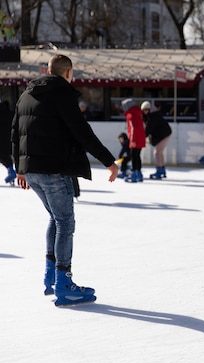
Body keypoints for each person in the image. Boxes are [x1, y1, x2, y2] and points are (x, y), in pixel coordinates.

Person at [11, 54, 119, 306]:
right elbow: (82, 132)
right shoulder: (62, 92)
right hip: (53, 169)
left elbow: (15, 132)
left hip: (32, 170)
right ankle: (64, 283)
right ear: (68, 72)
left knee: (56, 219)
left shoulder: (27, 94)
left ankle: (50, 276)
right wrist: (108, 162)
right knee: (65, 223)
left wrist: (20, 168)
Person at [141, 101, 172, 180]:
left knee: (157, 152)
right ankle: (162, 170)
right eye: (144, 110)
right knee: (159, 152)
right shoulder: (153, 115)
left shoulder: (153, 116)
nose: (145, 112)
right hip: (165, 134)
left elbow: (149, 129)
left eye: (146, 110)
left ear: (149, 109)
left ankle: (159, 170)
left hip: (164, 135)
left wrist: (142, 137)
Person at [121, 98, 146, 183]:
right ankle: (139, 173)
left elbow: (133, 129)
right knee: (137, 156)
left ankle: (134, 174)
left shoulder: (130, 114)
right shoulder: (138, 113)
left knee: (133, 156)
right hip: (140, 138)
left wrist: (132, 140)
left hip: (135, 139)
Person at [0, 100, 16, 185]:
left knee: (3, 158)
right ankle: (11, 171)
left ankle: (11, 172)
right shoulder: (11, 114)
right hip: (9, 140)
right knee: (6, 158)